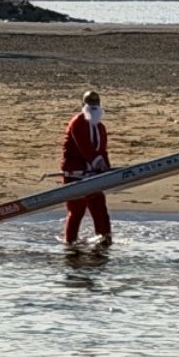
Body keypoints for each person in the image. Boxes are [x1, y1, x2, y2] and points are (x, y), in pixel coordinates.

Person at [61, 91, 113, 247]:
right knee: (77, 211)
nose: (94, 107)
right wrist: (98, 162)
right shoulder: (77, 122)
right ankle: (70, 243)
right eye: (91, 104)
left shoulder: (100, 127)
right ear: (83, 105)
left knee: (100, 211)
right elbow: (84, 146)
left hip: (93, 176)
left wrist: (106, 168)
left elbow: (102, 150)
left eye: (97, 104)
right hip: (75, 175)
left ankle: (105, 240)